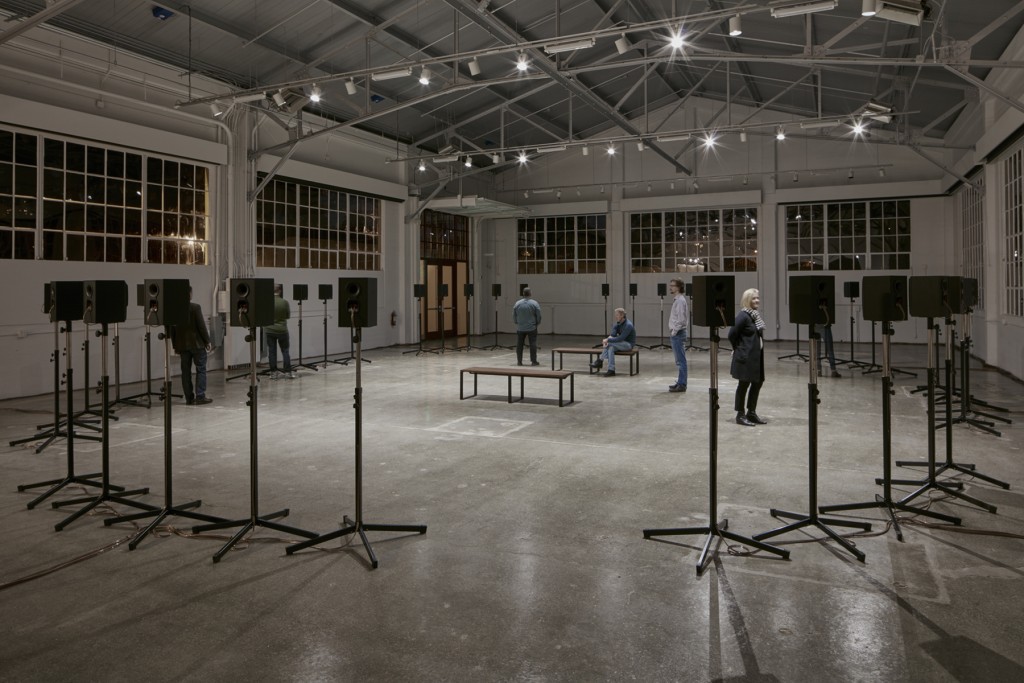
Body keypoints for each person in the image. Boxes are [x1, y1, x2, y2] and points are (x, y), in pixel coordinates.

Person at [729, 288, 767, 426]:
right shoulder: (743, 316)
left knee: (757, 383)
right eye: (753, 298)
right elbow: (731, 334)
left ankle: (751, 412)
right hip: (746, 357)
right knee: (743, 384)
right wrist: (738, 348)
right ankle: (740, 414)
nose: (757, 300)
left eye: (757, 298)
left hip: (756, 358)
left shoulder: (754, 315)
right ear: (747, 300)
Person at [171, 287, 213, 405]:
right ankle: (200, 396)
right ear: (189, 294)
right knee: (201, 369)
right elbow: (201, 326)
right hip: (197, 345)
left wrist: (175, 345)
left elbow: (172, 329)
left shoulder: (175, 310)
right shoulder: (195, 307)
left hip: (182, 346)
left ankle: (189, 398)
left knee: (185, 372)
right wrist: (207, 341)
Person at [590, 307, 635, 377]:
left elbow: (620, 338)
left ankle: (600, 360)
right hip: (620, 344)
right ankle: (611, 370)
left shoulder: (628, 325)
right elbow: (613, 335)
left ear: (622, 315)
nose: (615, 316)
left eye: (617, 315)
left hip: (628, 345)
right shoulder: (617, 323)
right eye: (615, 315)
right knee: (610, 347)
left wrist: (608, 340)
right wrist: (608, 339)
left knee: (610, 344)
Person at [264, 283, 294, 379]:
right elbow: (287, 316)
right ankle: (288, 372)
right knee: (285, 351)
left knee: (272, 352)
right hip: (282, 330)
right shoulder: (284, 302)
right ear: (279, 291)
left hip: (269, 330)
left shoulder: (267, 302)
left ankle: (273, 373)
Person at [667, 278, 689, 393]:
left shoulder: (680, 300)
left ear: (679, 287)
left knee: (681, 360)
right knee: (679, 360)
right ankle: (680, 382)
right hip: (677, 333)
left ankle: (682, 384)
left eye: (673, 285)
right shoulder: (677, 300)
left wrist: (674, 332)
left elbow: (681, 320)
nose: (670, 287)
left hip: (678, 334)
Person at [513, 287, 542, 366]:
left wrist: (517, 322)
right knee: (533, 344)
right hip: (531, 327)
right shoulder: (534, 303)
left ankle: (519, 361)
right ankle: (533, 361)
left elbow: (514, 315)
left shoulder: (517, 303)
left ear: (523, 293)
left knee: (519, 345)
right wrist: (537, 323)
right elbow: (538, 315)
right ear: (530, 294)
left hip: (520, 327)